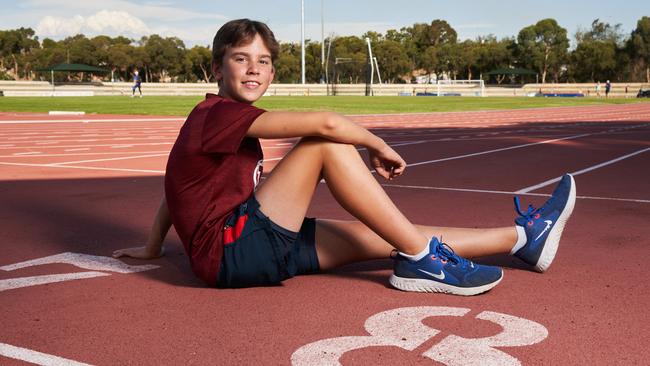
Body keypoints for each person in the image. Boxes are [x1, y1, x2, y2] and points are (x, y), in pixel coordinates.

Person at [112, 19, 576, 296]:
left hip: (246, 242)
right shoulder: (216, 114)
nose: (254, 68)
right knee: (323, 145)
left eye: (264, 60)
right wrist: (377, 145)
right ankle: (421, 260)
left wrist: (154, 244)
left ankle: (522, 238)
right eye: (240, 58)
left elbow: (180, 187)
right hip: (232, 252)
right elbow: (328, 124)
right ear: (215, 68)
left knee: (385, 233)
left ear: (273, 70)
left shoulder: (225, 125)